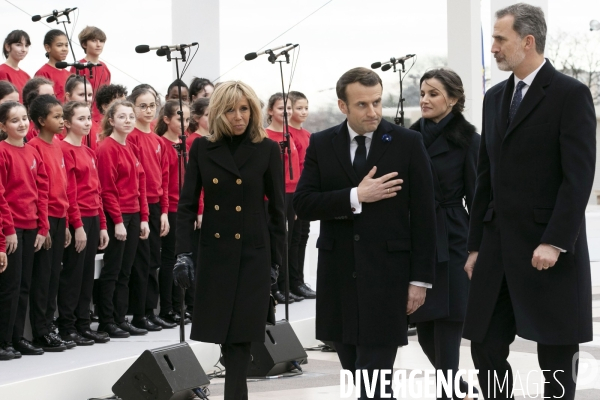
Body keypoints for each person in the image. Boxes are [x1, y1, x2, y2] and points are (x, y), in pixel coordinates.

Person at [463, 4, 596, 400]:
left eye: (500, 39)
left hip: (548, 249)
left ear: (528, 41)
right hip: (498, 246)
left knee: (555, 354)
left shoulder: (571, 95)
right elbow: (484, 178)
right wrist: (474, 246)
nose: (494, 48)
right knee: (484, 345)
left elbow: (578, 178)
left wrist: (554, 241)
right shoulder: (493, 98)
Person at [293, 67, 436, 399]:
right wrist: (356, 196)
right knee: (357, 376)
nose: (372, 111)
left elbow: (425, 217)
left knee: (374, 378)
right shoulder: (321, 142)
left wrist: (420, 280)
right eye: (362, 105)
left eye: (376, 102)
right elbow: (303, 204)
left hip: (388, 277)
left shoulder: (408, 143)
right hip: (339, 277)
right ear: (343, 106)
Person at [173, 81, 285, 400]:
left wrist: (277, 262)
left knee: (240, 337)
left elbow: (278, 212)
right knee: (227, 334)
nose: (239, 116)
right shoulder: (202, 148)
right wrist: (183, 254)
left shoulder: (266, 148)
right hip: (216, 253)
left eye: (245, 109)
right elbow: (186, 205)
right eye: (231, 110)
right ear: (219, 112)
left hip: (253, 255)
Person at [407, 69, 479, 400]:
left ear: (453, 98)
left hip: (452, 236)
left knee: (449, 324)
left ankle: (446, 392)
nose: (424, 99)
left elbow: (478, 196)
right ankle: (454, 385)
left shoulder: (468, 139)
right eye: (422, 92)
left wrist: (476, 246)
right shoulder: (408, 137)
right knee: (423, 329)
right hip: (417, 237)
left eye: (433, 93)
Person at [57, 101, 110, 344]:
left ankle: (83, 323)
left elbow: (96, 191)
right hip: (77, 219)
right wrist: (77, 226)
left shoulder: (89, 152)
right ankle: (67, 326)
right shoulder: (65, 150)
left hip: (92, 217)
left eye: (89, 118)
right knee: (73, 274)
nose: (87, 123)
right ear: (67, 123)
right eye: (81, 119)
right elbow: (71, 193)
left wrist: (101, 225)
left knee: (87, 274)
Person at [95, 100, 150, 338]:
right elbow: (107, 189)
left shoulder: (130, 146)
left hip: (134, 214)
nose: (128, 120)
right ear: (111, 121)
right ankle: (107, 320)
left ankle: (120, 317)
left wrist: (144, 218)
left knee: (126, 270)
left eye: (130, 116)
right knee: (113, 270)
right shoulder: (107, 148)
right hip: (118, 215)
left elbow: (141, 184)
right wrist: (117, 221)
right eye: (122, 117)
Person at [0, 101, 49, 357]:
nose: (21, 124)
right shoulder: (2, 151)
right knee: (10, 286)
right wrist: (8, 230)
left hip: (31, 226)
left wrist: (43, 226)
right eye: (14, 120)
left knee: (24, 285)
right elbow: (1, 196)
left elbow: (42, 190)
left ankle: (17, 337)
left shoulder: (32, 152)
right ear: (2, 126)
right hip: (13, 229)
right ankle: (3, 340)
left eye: (23, 119)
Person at [26, 95, 74, 351]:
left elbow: (63, 188)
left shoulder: (58, 145)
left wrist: (65, 223)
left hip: (59, 217)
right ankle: (41, 330)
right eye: (56, 116)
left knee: (54, 276)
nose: (61, 120)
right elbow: (38, 191)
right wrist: (43, 227)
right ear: (41, 120)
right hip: (43, 221)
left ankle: (49, 325)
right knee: (42, 278)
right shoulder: (34, 147)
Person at [126, 86, 171, 331]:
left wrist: (164, 211)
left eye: (151, 105)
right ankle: (140, 313)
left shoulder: (158, 140)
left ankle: (151, 311)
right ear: (132, 107)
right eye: (142, 105)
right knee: (141, 263)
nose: (147, 109)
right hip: (139, 206)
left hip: (155, 206)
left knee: (155, 260)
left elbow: (164, 178)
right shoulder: (131, 137)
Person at [154, 100, 190, 328]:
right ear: (166, 119)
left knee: (183, 259)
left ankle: (180, 306)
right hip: (172, 208)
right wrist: (165, 211)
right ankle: (167, 308)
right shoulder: (163, 145)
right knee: (169, 260)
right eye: (180, 119)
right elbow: (164, 182)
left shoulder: (184, 144)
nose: (184, 124)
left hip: (185, 208)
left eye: (187, 120)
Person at [264, 93, 303, 304]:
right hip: (273, 194)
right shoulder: (266, 135)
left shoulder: (290, 135)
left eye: (288, 108)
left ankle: (287, 285)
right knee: (276, 240)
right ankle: (274, 286)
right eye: (281, 108)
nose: (286, 112)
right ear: (270, 111)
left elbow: (296, 168)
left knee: (289, 241)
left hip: (291, 193)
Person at [287, 90, 316, 300]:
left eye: (306, 107)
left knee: (303, 236)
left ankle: (299, 279)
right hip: (292, 193)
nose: (303, 112)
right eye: (299, 108)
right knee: (292, 238)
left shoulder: (308, 135)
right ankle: (290, 281)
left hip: (306, 192)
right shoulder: (287, 135)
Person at [71, 26, 111, 127]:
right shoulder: (78, 66)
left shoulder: (105, 68)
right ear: (84, 44)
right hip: (83, 118)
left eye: (101, 41)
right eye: (94, 40)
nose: (98, 44)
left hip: (102, 119)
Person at [35, 30, 72, 102]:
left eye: (66, 45)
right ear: (48, 48)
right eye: (59, 45)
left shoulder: (69, 74)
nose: (64, 49)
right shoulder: (42, 73)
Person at [64, 75, 98, 148]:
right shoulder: (61, 125)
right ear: (68, 96)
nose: (87, 99)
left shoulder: (95, 126)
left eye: (90, 95)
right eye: (81, 95)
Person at [0, 30, 31, 101]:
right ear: (7, 47)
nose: (24, 50)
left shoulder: (26, 76)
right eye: (18, 45)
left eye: (26, 46)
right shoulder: (2, 72)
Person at [22, 77, 54, 142]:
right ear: (32, 100)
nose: (52, 100)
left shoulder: (54, 125)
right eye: (46, 97)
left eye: (53, 96)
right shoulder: (30, 130)